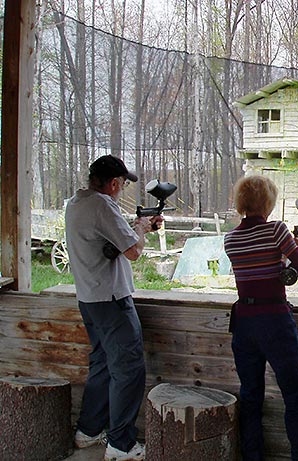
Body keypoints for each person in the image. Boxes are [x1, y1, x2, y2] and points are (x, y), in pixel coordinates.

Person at [65, 155, 163, 461]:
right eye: (121, 185)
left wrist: (137, 226)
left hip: (89, 299)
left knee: (103, 365)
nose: (121, 190)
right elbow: (133, 251)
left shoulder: (76, 203)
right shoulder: (102, 205)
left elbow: (108, 245)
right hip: (112, 301)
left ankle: (89, 430)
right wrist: (141, 229)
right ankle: (121, 445)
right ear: (114, 183)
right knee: (129, 370)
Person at [224, 175, 298, 461]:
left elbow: (257, 269)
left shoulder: (230, 240)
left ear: (241, 203)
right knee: (294, 397)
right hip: (274, 321)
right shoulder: (277, 231)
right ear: (268, 203)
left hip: (243, 322)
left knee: (251, 396)